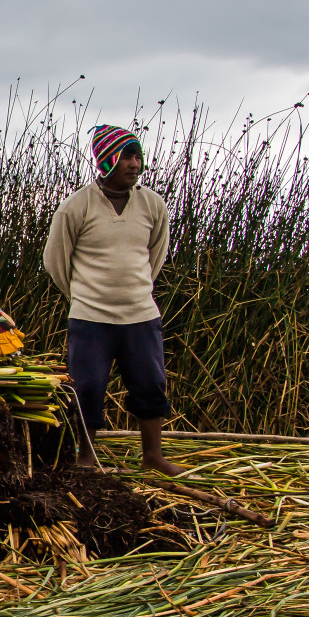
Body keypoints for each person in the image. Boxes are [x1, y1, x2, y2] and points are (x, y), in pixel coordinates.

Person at [43, 124, 183, 476]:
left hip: (140, 314)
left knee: (150, 383)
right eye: (126, 156)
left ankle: (153, 456)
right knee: (87, 386)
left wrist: (136, 288)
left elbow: (156, 254)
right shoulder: (76, 207)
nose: (134, 164)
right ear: (107, 160)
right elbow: (56, 260)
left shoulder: (153, 204)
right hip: (91, 316)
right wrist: (83, 296)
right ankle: (87, 457)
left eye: (137, 156)